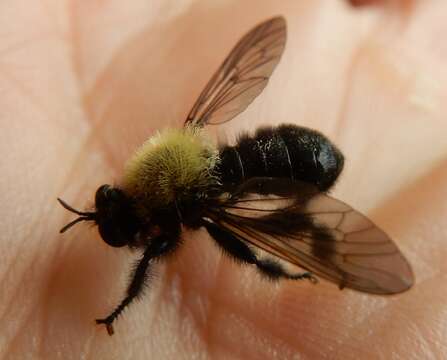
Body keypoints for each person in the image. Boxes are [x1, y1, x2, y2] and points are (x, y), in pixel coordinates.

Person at [1, 0, 445, 358]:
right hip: (276, 149)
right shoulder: (180, 150)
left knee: (250, 243)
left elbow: (153, 257)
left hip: (303, 166)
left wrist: (122, 305)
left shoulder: (193, 206)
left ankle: (286, 270)